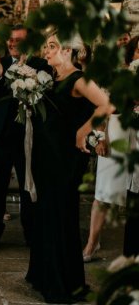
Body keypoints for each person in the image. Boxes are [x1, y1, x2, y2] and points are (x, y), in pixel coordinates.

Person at [26, 34, 112, 303]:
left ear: (67, 50)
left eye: (51, 46)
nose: (46, 51)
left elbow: (107, 105)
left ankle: (63, 283)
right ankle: (45, 275)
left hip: (63, 158)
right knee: (46, 215)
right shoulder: (52, 79)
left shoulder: (78, 78)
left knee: (61, 214)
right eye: (47, 46)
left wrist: (83, 131)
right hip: (45, 156)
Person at [0, 25, 51, 251]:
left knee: (28, 186)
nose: (12, 43)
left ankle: (31, 232)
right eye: (10, 40)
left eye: (17, 40)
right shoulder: (0, 64)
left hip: (27, 135)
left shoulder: (41, 67)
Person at [83, 36, 139, 261]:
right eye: (138, 51)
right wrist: (99, 138)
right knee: (104, 194)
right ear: (130, 53)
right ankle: (91, 243)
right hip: (114, 133)